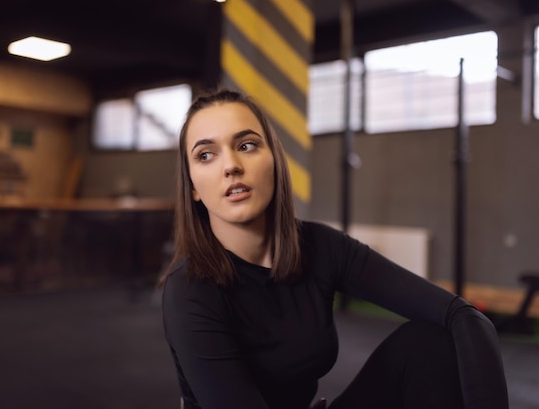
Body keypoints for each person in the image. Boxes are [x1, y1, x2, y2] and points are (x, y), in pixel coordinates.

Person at [160, 88, 508, 409]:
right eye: (206, 155)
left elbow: (461, 315)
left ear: (275, 161)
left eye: (247, 145)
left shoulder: (320, 246)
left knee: (429, 342)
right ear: (192, 187)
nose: (231, 165)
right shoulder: (190, 289)